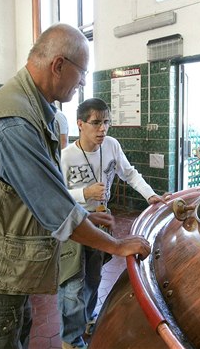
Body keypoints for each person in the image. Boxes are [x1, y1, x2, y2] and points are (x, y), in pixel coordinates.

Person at [0, 24, 151, 349]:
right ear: (58, 66)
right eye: (81, 72)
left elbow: (39, 192)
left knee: (17, 331)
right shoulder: (13, 122)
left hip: (9, 262)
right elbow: (57, 210)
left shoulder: (40, 111)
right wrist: (117, 245)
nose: (83, 81)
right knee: (0, 337)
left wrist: (85, 213)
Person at [58, 98, 167, 349]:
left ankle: (87, 319)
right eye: (96, 123)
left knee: (94, 277)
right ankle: (71, 341)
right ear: (80, 124)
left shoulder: (112, 146)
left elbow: (129, 173)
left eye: (106, 122)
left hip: (101, 223)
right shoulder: (66, 156)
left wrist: (150, 195)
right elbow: (55, 196)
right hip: (74, 225)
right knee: (73, 283)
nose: (102, 129)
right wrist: (84, 194)